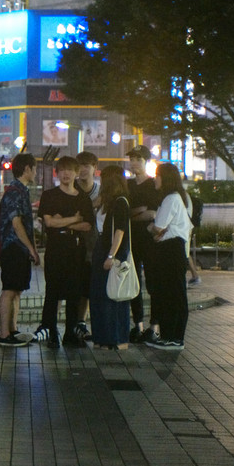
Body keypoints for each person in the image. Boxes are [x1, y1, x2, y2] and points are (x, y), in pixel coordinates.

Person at [32, 156, 94, 348]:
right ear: (57, 173)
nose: (66, 174)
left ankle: (70, 332)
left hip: (76, 249)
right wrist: (73, 219)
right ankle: (51, 331)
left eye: (70, 170)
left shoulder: (83, 198)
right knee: (53, 290)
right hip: (56, 248)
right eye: (62, 170)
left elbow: (87, 225)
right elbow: (49, 222)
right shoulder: (50, 195)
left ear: (76, 173)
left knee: (74, 292)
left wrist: (64, 221)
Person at [0, 152, 40, 347]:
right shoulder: (15, 191)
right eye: (35, 168)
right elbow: (16, 223)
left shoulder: (20, 190)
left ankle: (12, 330)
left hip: (17, 249)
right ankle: (4, 334)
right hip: (14, 247)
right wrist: (31, 248)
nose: (36, 173)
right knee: (9, 290)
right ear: (28, 168)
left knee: (16, 290)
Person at [147, 163, 192, 350]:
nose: (155, 179)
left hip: (171, 250)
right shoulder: (175, 198)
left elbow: (157, 228)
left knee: (172, 295)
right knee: (171, 294)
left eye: (158, 175)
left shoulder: (171, 199)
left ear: (166, 178)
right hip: (172, 250)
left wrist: (151, 228)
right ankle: (170, 336)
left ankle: (173, 338)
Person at [89, 165, 132, 350]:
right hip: (102, 249)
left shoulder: (120, 202)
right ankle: (102, 337)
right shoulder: (108, 201)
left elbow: (120, 231)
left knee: (112, 295)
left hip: (112, 252)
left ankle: (115, 339)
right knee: (99, 295)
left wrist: (111, 255)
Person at [126, 145, 161, 343]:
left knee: (153, 283)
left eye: (138, 159)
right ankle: (137, 325)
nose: (134, 162)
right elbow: (126, 212)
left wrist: (135, 213)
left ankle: (154, 326)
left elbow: (154, 213)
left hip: (150, 240)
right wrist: (141, 212)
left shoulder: (153, 184)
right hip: (133, 239)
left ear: (147, 161)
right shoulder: (128, 185)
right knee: (134, 283)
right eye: (131, 159)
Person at [74, 150, 102, 339]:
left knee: (93, 286)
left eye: (87, 165)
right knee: (77, 286)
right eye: (80, 166)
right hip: (74, 246)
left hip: (96, 246)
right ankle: (78, 323)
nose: (83, 170)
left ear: (95, 168)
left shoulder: (101, 192)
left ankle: (92, 323)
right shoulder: (71, 189)